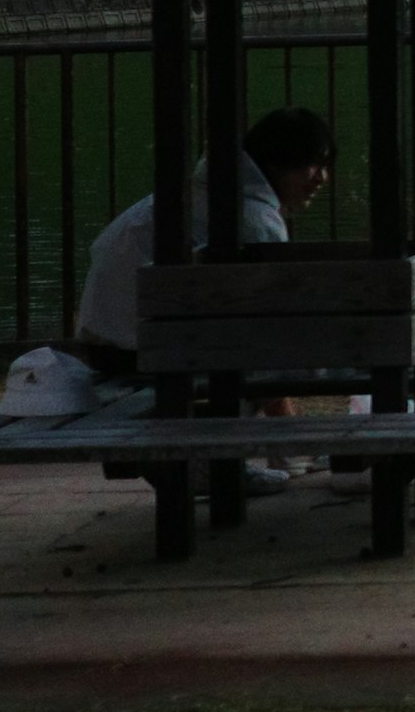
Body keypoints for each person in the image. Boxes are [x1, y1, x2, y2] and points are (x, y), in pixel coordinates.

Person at [66, 105, 340, 492]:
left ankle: (276, 447)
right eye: (312, 165)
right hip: (156, 356)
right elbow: (276, 327)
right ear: (279, 162)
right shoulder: (252, 219)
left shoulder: (189, 197)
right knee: (305, 355)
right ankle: (217, 460)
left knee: (261, 344)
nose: (321, 178)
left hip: (112, 351)